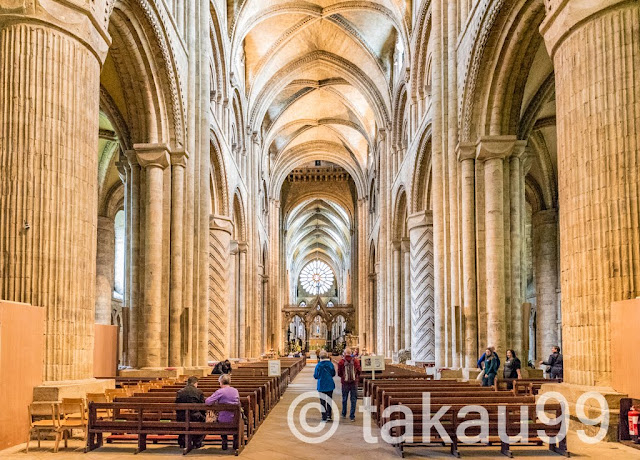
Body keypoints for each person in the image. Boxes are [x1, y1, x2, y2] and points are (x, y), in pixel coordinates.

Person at [205, 374, 240, 450]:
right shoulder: (235, 391)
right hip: (235, 418)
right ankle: (235, 442)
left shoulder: (220, 391)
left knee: (221, 417)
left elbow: (208, 402)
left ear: (221, 382)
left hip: (223, 419)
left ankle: (224, 441)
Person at [175, 376, 205, 449]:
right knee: (204, 420)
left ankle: (182, 442)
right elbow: (203, 407)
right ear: (195, 383)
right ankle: (197, 442)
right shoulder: (199, 392)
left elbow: (176, 406)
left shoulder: (180, 392)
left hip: (182, 417)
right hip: (195, 417)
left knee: (184, 422)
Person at [337, 347, 361, 421]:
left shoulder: (341, 361)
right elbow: (359, 370)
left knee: (344, 398)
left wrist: (344, 378)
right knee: (353, 399)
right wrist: (356, 377)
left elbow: (339, 373)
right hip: (354, 383)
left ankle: (344, 414)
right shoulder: (356, 361)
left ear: (344, 353)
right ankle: (352, 416)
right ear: (351, 353)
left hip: (345, 383)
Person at [313, 350, 336, 422]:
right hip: (329, 384)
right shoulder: (330, 364)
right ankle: (329, 415)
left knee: (322, 401)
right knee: (329, 400)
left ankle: (324, 417)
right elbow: (333, 373)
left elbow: (316, 376)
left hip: (321, 385)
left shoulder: (318, 365)